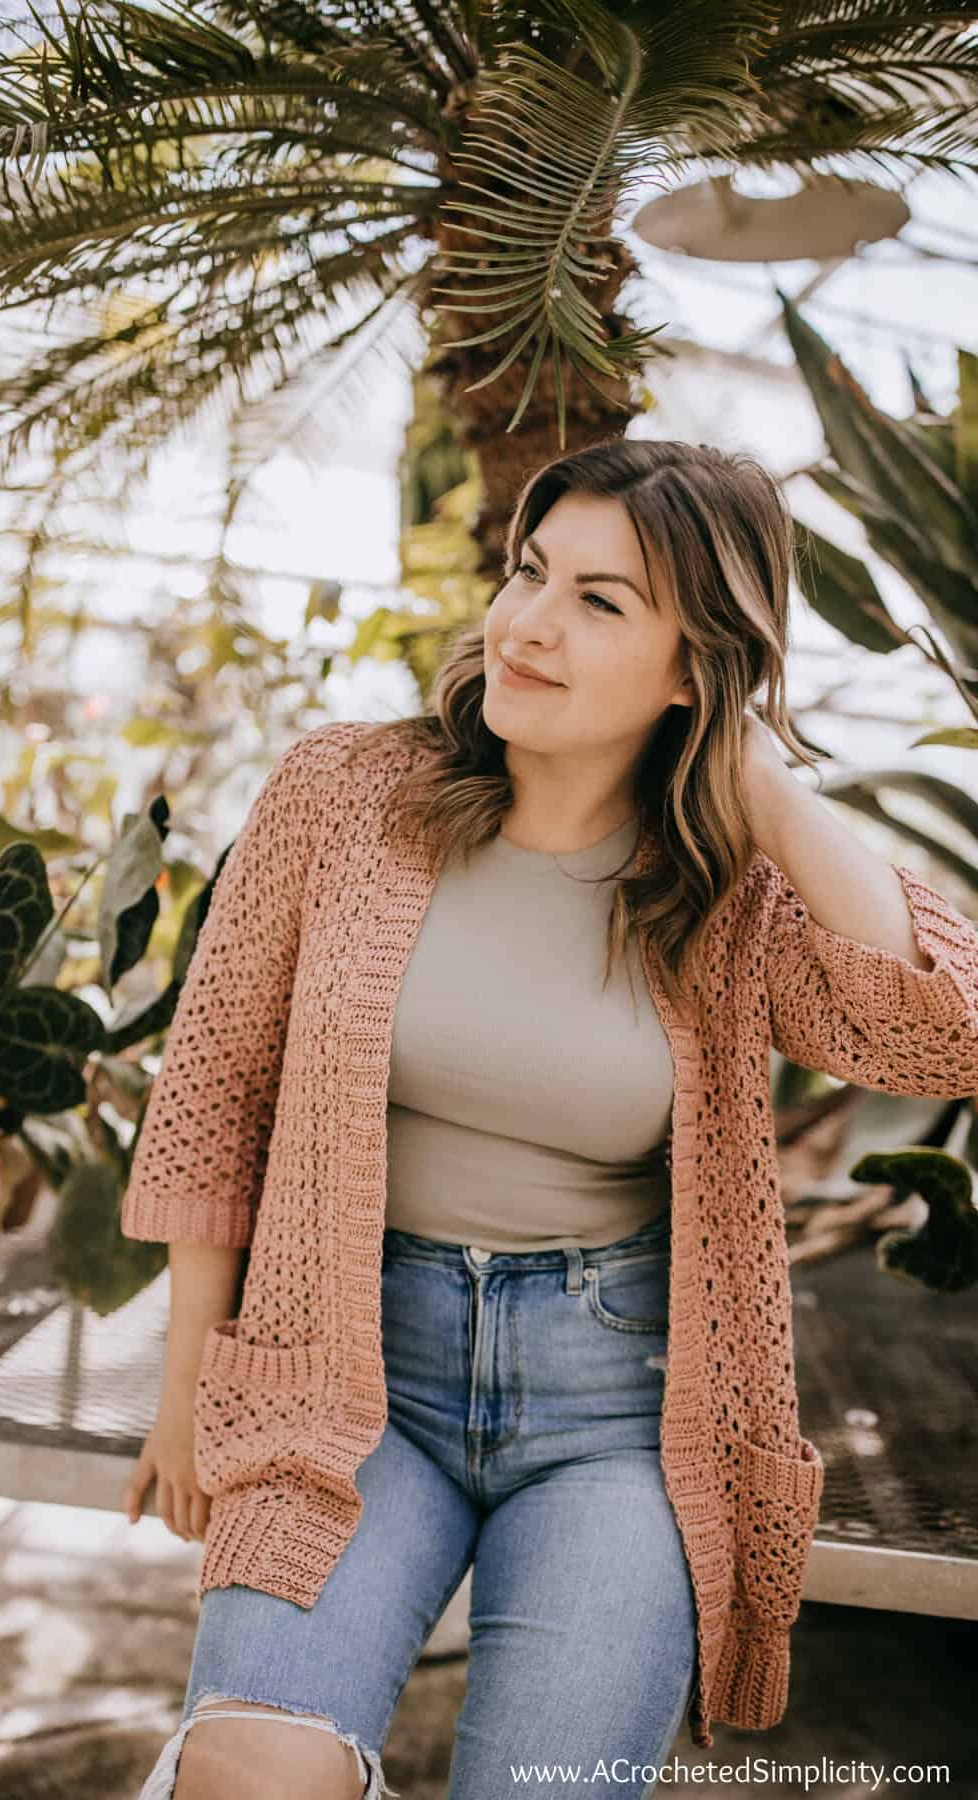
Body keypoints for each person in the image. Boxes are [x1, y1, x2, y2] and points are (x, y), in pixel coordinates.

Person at [119, 439, 978, 1800]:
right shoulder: (344, 796)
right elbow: (212, 1100)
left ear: (697, 666)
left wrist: (752, 774)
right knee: (247, 1771)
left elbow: (947, 1026)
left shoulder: (733, 898)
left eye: (602, 601)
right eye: (531, 571)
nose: (525, 623)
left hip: (621, 1418)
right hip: (353, 1381)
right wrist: (186, 1394)